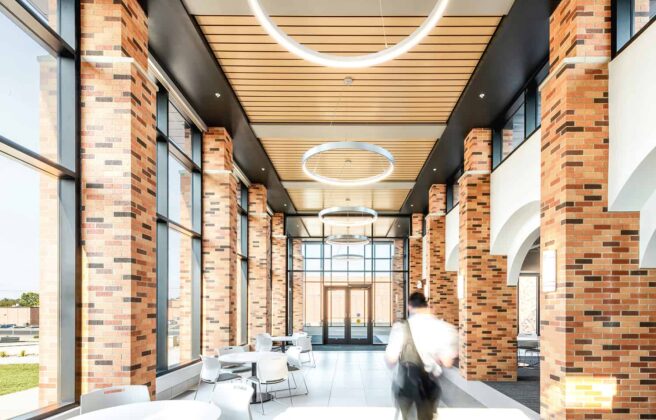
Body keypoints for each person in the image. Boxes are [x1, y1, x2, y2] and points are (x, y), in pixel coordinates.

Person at [385, 292, 458, 420]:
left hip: (406, 386)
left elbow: (391, 360)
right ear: (427, 305)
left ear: (409, 306)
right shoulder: (446, 328)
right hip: (429, 387)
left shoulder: (401, 328)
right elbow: (447, 362)